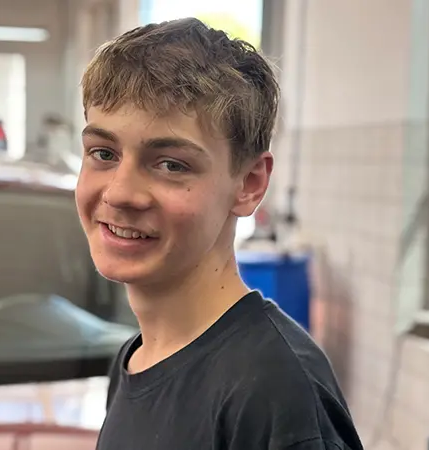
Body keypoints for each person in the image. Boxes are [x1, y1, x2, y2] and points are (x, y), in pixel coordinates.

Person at [75, 17, 364, 450]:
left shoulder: (275, 391)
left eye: (171, 164)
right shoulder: (136, 359)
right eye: (103, 153)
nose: (119, 193)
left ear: (249, 184)